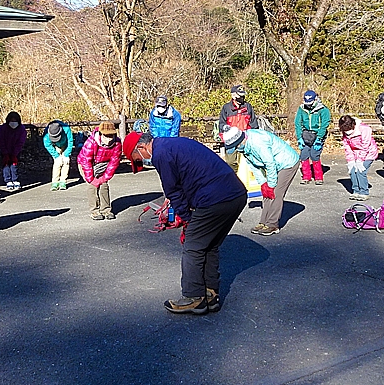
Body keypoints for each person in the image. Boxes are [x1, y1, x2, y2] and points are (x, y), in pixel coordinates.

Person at [123, 131, 247, 314]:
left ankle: (194, 297)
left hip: (214, 199)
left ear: (141, 147)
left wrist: (187, 219)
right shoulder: (171, 144)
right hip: (236, 194)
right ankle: (210, 293)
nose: (142, 161)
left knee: (193, 247)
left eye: (138, 159)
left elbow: (173, 191)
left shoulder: (161, 154)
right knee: (209, 245)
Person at [221, 124, 299, 236]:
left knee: (276, 192)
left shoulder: (258, 143)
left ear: (240, 142)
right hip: (275, 164)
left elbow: (270, 163)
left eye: (236, 147)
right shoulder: (244, 146)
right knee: (266, 192)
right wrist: (263, 183)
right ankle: (263, 222)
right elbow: (253, 166)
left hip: (288, 163)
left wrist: (271, 185)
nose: (236, 150)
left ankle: (272, 225)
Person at [77, 121, 121, 220]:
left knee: (104, 185)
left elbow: (114, 163)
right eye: (106, 136)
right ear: (101, 134)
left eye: (111, 136)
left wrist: (104, 178)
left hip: (103, 165)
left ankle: (106, 210)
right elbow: (86, 162)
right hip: (86, 164)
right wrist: (91, 179)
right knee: (92, 186)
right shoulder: (91, 142)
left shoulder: (117, 143)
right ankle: (95, 211)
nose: (109, 139)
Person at [294, 90, 331, 185]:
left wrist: (319, 138)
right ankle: (306, 176)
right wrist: (299, 138)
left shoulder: (323, 110)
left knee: (314, 154)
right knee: (303, 155)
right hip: (306, 134)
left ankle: (318, 177)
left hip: (318, 134)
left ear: (315, 100)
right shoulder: (301, 109)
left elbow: (324, 125)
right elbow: (297, 123)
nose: (308, 105)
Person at [340, 115, 379, 201]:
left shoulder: (364, 129)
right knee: (352, 170)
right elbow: (347, 147)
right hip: (355, 154)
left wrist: (360, 160)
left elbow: (365, 146)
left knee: (360, 171)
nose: (347, 132)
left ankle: (364, 192)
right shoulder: (345, 132)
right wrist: (351, 160)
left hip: (368, 153)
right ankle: (356, 191)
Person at [0, 111, 27, 191]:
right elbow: (0, 140)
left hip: (16, 150)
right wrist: (5, 152)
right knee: (6, 164)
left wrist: (15, 153)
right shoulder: (3, 129)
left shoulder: (21, 129)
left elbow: (21, 142)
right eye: (11, 121)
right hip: (5, 149)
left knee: (14, 165)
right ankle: (8, 180)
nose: (13, 123)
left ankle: (15, 179)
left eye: (15, 121)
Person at [43, 119, 74, 190]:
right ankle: (55, 182)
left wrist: (66, 154)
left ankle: (63, 181)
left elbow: (70, 141)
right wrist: (56, 156)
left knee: (66, 162)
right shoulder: (46, 134)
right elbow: (47, 145)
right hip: (55, 146)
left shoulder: (66, 129)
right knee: (57, 163)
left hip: (65, 145)